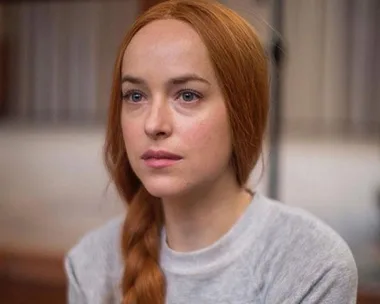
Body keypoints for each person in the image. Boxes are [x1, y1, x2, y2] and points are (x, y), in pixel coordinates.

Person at [65, 0, 358, 303]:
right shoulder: (91, 264)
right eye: (135, 95)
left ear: (241, 110)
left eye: (187, 95)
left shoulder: (311, 266)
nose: (153, 124)